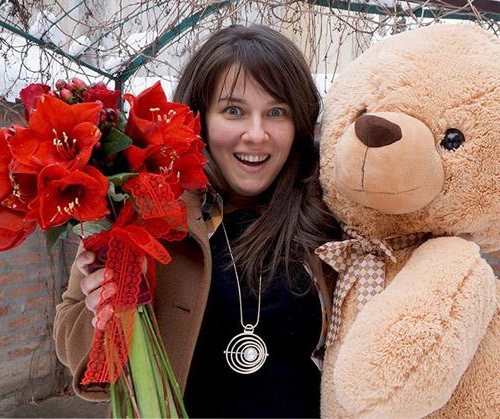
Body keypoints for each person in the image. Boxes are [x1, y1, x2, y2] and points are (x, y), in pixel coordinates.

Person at [53, 24, 341, 418]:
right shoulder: (140, 212)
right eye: (234, 111)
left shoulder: (331, 215)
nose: (256, 134)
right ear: (199, 117)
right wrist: (104, 312)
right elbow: (75, 348)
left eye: (277, 112)